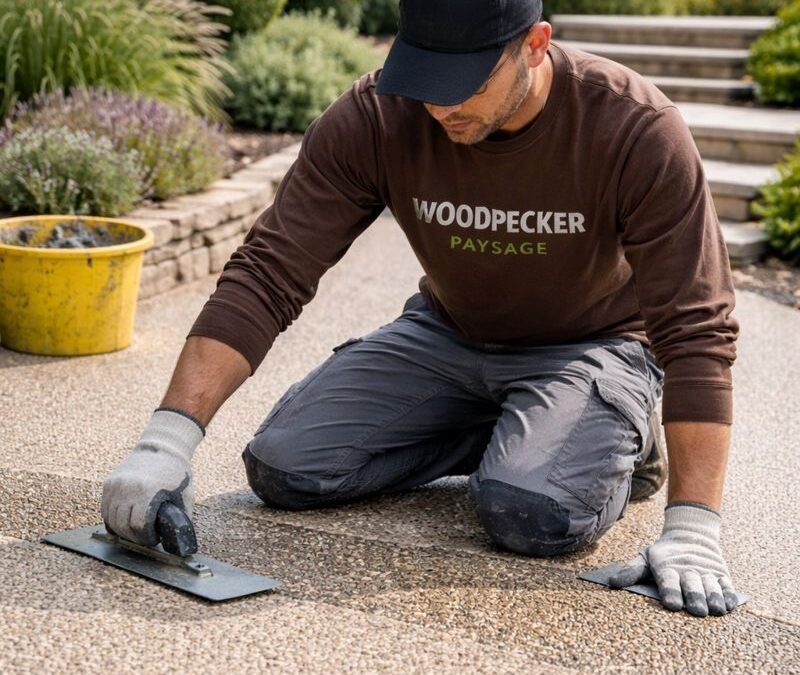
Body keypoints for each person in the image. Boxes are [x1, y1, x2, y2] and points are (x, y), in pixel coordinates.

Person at [102, 0, 740, 618]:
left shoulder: (634, 128)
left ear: (535, 44)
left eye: (464, 82)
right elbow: (270, 271)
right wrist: (164, 443)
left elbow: (696, 329)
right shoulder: (379, 114)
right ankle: (520, 432)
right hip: (447, 334)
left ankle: (614, 439)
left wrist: (693, 527)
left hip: (591, 346)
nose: (439, 104)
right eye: (425, 77)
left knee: (528, 512)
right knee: (285, 468)